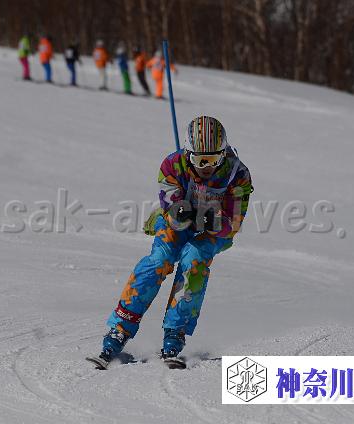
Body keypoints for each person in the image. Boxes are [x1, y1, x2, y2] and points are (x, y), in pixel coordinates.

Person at [95, 116, 253, 367]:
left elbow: (234, 222)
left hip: (213, 231)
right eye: (200, 160)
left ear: (224, 154)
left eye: (214, 160)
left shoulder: (238, 174)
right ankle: (120, 330)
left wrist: (213, 220)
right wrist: (177, 210)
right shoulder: (173, 164)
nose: (207, 167)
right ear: (188, 154)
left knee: (194, 260)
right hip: (176, 223)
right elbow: (168, 201)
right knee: (159, 260)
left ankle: (175, 333)